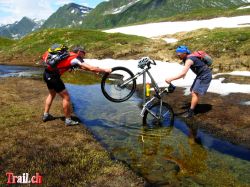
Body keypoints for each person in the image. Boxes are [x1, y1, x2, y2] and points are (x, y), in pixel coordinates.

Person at [42, 44, 111, 125]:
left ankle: (46, 115)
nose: (84, 55)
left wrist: (98, 70)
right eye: (83, 53)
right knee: (66, 97)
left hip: (46, 74)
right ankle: (68, 120)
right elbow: (90, 68)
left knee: (52, 94)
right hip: (54, 77)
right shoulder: (76, 58)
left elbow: (84, 68)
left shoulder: (67, 54)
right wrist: (105, 70)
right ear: (79, 51)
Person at [165, 45, 212, 118]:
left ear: (184, 53)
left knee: (194, 92)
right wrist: (183, 74)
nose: (178, 55)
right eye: (177, 53)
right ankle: (193, 107)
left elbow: (183, 73)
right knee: (193, 91)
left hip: (205, 75)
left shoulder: (189, 59)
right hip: (201, 75)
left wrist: (171, 79)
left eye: (179, 54)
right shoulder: (187, 58)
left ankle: (191, 112)